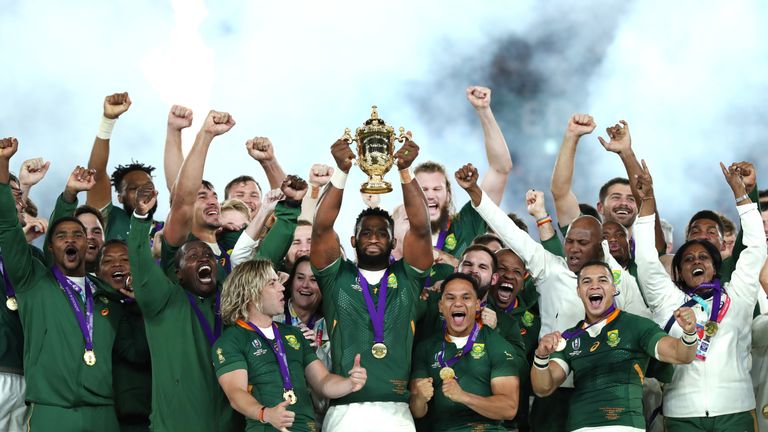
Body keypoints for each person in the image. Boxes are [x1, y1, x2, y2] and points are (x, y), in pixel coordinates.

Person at [310, 131, 433, 431]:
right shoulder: (336, 277)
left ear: (394, 243)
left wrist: (405, 171)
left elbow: (421, 227)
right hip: (345, 413)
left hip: (398, 414)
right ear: (353, 240)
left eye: (382, 233)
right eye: (367, 232)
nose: (374, 237)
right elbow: (321, 226)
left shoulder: (407, 277)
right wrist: (341, 171)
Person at [1, 137, 125, 431]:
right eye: (60, 237)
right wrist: (3, 163)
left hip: (103, 414)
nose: (70, 240)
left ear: (90, 245)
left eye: (78, 235)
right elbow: (7, 225)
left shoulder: (108, 295)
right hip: (52, 411)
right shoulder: (34, 281)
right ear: (51, 250)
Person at [633, 161, 766, 431]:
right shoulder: (667, 300)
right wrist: (646, 201)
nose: (697, 261)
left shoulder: (738, 293)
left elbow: (755, 246)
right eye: (689, 258)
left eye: (704, 257)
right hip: (682, 413)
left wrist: (742, 195)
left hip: (736, 409)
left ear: (716, 266)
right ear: (679, 271)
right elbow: (646, 259)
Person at [531, 261, 698, 431]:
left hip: (625, 426)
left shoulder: (636, 326)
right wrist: (541, 356)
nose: (594, 286)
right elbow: (543, 388)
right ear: (579, 291)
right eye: (586, 281)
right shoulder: (569, 337)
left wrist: (690, 332)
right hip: (579, 427)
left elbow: (681, 354)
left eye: (602, 280)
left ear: (613, 289)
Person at [127, 182, 241, 431]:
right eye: (192, 256)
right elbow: (141, 266)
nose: (202, 258)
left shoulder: (228, 303)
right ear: (177, 274)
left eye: (207, 256)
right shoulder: (163, 301)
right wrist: (140, 218)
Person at [214, 259, 366, 432]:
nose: (282, 288)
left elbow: (323, 382)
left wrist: (350, 383)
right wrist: (266, 414)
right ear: (251, 292)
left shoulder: (293, 334)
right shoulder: (232, 339)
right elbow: (235, 393)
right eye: (272, 283)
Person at [410, 273, 523, 431]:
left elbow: (509, 409)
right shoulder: (426, 348)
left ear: (477, 305)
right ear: (440, 306)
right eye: (450, 298)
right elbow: (417, 411)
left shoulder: (497, 344)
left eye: (466, 298)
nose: (458, 304)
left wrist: (463, 397)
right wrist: (420, 398)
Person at [412, 86, 513, 260]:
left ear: (449, 195)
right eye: (423, 189)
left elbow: (500, 168)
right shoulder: (395, 230)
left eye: (437, 189)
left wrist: (484, 111)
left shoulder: (466, 225)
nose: (430, 195)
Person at [85, 92, 162, 242]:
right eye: (133, 189)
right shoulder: (110, 221)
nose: (143, 192)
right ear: (120, 197)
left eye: (148, 186)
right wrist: (108, 121)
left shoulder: (166, 231)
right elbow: (96, 173)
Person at [97, 240, 152, 432]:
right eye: (108, 260)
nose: (117, 264)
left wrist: (140, 304)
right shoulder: (93, 308)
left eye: (125, 259)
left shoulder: (152, 304)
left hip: (149, 416)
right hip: (109, 416)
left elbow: (142, 352)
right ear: (97, 272)